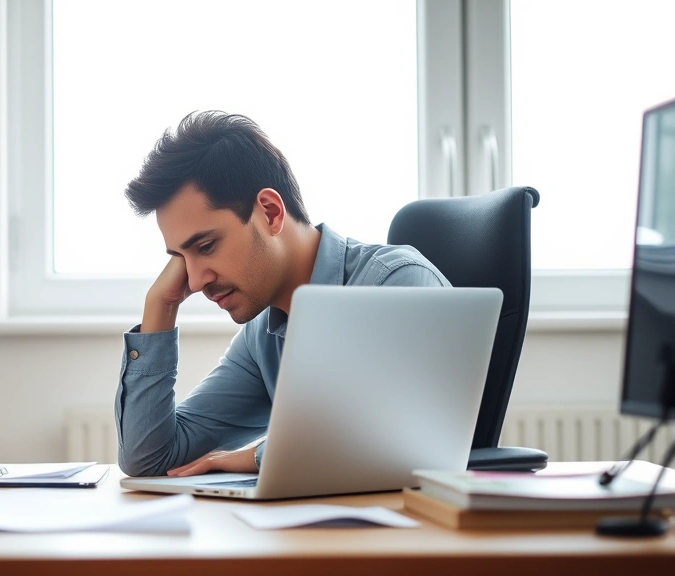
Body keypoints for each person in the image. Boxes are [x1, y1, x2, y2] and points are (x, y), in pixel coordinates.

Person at [115, 111, 451, 478]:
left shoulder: (397, 283)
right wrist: (159, 308)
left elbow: (387, 434)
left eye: (207, 246)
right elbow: (147, 458)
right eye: (181, 258)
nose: (194, 282)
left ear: (271, 212)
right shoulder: (264, 335)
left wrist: (254, 457)